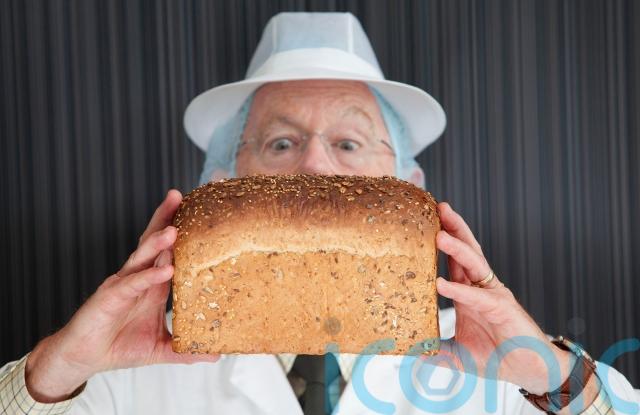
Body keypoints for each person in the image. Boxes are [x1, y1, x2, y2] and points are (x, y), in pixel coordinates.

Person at [0, 12, 637, 415]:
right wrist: (60, 370)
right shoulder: (128, 366)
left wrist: (554, 376)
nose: (315, 167)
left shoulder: (494, 364)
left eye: (350, 143)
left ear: (410, 188)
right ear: (221, 184)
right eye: (281, 142)